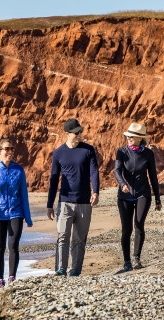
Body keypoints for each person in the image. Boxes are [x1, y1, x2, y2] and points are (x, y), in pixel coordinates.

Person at [46, 118, 100, 277]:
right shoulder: (58, 153)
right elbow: (54, 179)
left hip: (84, 202)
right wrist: (50, 204)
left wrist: (95, 191)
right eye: (76, 132)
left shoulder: (88, 150)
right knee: (63, 236)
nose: (79, 134)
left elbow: (94, 172)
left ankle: (75, 271)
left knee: (79, 239)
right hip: (64, 202)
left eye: (80, 131)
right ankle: (61, 270)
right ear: (68, 133)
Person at [0, 138, 33, 289]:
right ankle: (0, 280)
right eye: (7, 149)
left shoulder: (19, 170)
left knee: (13, 245)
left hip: (15, 212)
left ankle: (12, 278)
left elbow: (23, 194)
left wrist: (28, 217)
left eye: (12, 149)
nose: (10, 152)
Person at [113, 122, 162, 271]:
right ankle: (127, 261)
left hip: (143, 194)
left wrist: (158, 198)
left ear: (140, 138)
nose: (128, 138)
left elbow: (153, 176)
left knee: (139, 224)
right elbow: (117, 170)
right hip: (124, 195)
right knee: (126, 229)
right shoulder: (122, 152)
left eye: (131, 136)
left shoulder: (148, 154)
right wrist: (123, 184)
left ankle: (136, 258)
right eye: (127, 136)